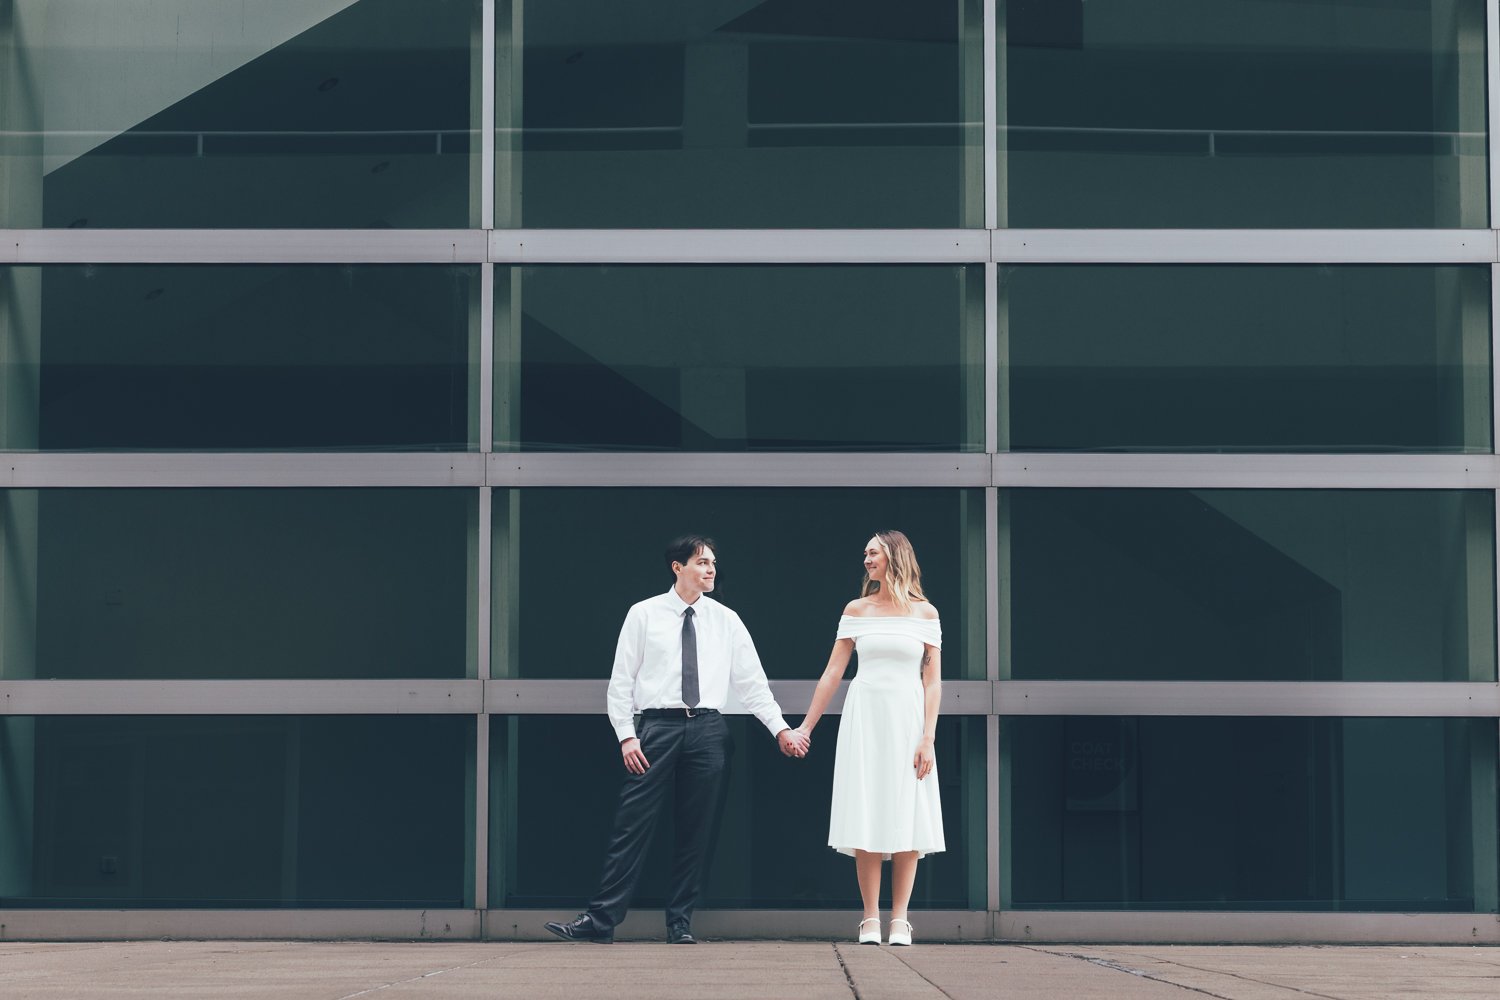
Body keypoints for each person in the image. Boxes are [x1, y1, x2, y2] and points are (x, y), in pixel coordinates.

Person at [545, 535, 810, 945]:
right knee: (630, 825)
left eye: (713, 564)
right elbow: (621, 682)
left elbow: (753, 684)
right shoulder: (644, 614)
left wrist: (780, 729)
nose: (710, 570)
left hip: (707, 730)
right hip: (655, 729)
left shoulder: (727, 620)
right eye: (702, 562)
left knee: (697, 829)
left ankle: (680, 924)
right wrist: (627, 737)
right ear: (677, 567)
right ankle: (600, 922)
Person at [794, 530, 943, 947]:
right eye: (864, 553)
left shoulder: (925, 614)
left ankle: (901, 919)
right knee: (866, 811)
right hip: (866, 719)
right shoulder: (856, 610)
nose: (865, 559)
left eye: (872, 552)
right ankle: (870, 919)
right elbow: (832, 673)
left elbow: (932, 683)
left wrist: (928, 737)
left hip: (908, 720)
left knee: (907, 812)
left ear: (894, 555)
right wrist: (806, 726)